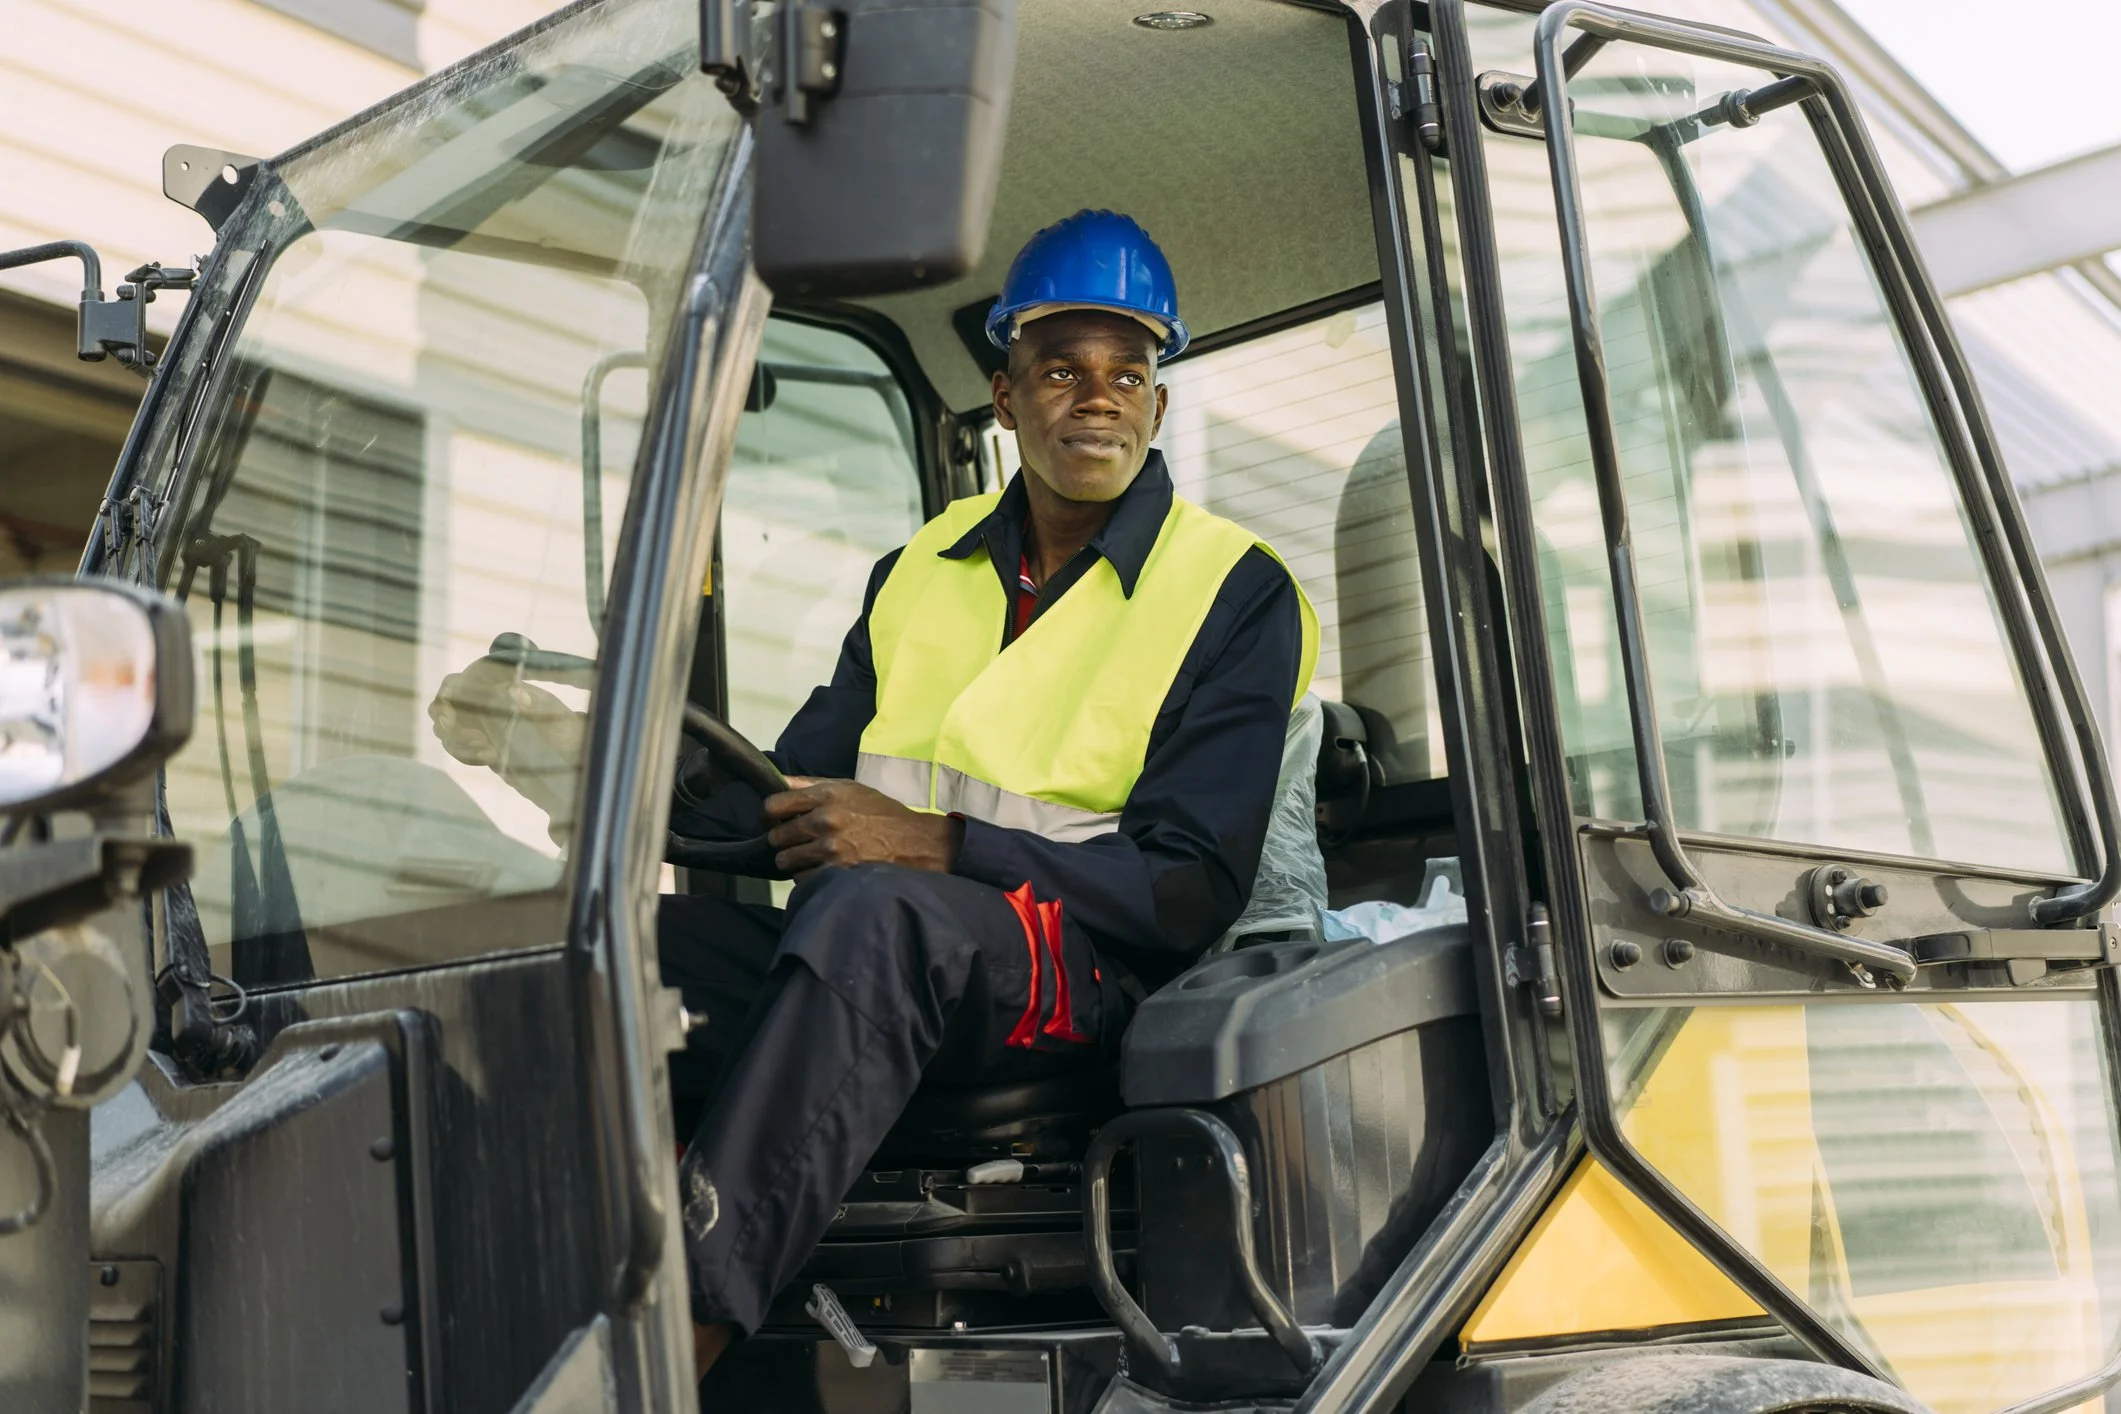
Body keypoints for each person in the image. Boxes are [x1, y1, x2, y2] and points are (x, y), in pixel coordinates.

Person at [431, 210, 1316, 1378]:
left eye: (1128, 372)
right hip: (899, 961)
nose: (1096, 397)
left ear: (1156, 403)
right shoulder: (919, 573)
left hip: (1088, 974)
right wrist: (569, 762)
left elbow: (1187, 889)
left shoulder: (1235, 591)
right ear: (1006, 398)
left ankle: (660, 1358)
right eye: (1061, 368)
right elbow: (786, 800)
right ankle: (495, 1296)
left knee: (870, 915)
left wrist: (937, 845)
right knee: (602, 941)